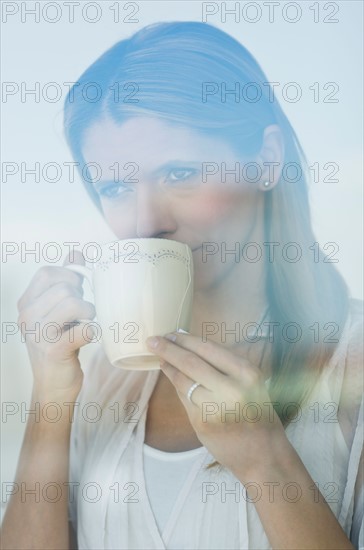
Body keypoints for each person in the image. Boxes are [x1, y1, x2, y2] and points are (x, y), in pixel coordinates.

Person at [2, 21, 363, 550]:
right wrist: (50, 401)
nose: (147, 221)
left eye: (178, 174)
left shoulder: (351, 363)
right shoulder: (99, 377)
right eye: (117, 186)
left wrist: (265, 459)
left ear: (265, 160)